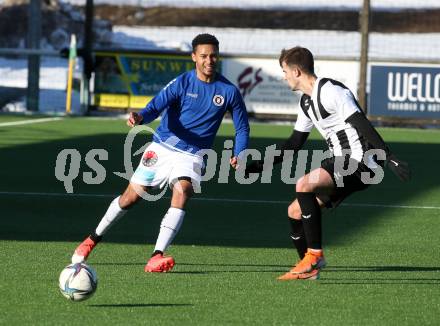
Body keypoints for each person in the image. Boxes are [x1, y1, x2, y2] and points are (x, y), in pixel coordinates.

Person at [71, 34, 250, 272]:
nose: (210, 60)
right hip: (163, 147)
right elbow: (155, 106)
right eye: (204, 56)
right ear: (194, 57)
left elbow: (242, 127)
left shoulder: (228, 91)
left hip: (193, 154)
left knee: (183, 190)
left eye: (213, 55)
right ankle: (93, 238)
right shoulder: (182, 83)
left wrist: (240, 152)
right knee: (129, 199)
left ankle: (157, 255)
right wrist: (140, 117)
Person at [246, 46, 410, 280]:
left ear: (297, 71)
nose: (283, 77)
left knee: (304, 184)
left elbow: (361, 123)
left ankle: (315, 255)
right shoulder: (306, 102)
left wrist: (389, 156)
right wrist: (258, 166)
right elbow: (294, 144)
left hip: (360, 161)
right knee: (294, 211)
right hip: (341, 161)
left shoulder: (331, 91)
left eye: (284, 71)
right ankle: (308, 269)